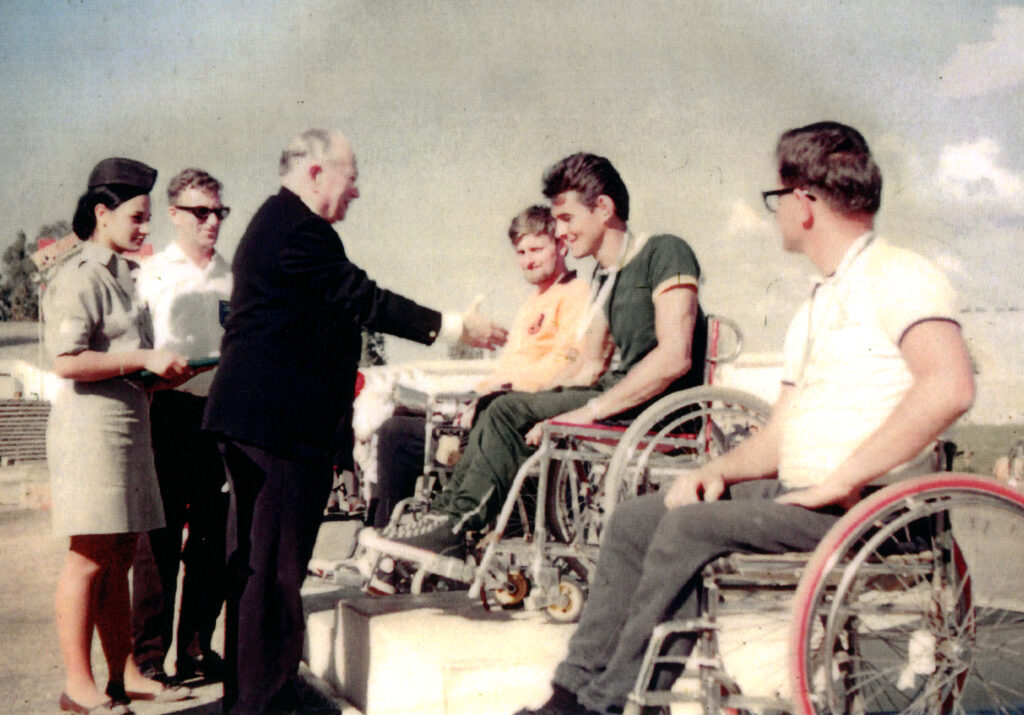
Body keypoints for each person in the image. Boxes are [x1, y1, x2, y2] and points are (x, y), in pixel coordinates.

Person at [517, 122, 976, 715]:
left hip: (873, 510)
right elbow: (779, 433)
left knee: (688, 529)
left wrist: (843, 478)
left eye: (778, 197)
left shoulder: (899, 275)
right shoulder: (819, 301)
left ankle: (611, 703)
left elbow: (950, 385)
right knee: (640, 518)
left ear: (805, 202)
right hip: (808, 496)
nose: (776, 210)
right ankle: (570, 693)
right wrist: (721, 472)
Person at [201, 128, 507, 714]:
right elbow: (361, 297)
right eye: (352, 176)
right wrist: (453, 327)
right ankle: (261, 706)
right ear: (316, 171)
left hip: (270, 426)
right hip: (278, 430)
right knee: (270, 575)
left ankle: (262, 694)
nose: (358, 192)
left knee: (263, 570)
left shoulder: (282, 224)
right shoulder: (299, 230)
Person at [379, 152, 708, 557]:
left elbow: (675, 356)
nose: (561, 231)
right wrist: (533, 402)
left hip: (657, 410)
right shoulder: (606, 278)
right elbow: (586, 365)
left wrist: (587, 412)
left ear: (603, 208)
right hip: (617, 399)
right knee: (501, 405)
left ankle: (458, 527)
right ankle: (444, 517)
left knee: (505, 413)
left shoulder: (664, 252)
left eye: (568, 219)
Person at [45, 158, 194, 715]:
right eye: (136, 216)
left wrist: (161, 374)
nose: (144, 228)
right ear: (102, 213)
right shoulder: (81, 273)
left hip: (130, 424)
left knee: (123, 552)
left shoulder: (124, 275)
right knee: (89, 556)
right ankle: (77, 685)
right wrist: (143, 357)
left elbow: (124, 361)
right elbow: (67, 361)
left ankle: (123, 671)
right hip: (91, 431)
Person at [371, 204, 610, 529]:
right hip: (495, 403)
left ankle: (414, 532)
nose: (528, 259)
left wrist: (491, 395)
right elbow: (505, 369)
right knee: (399, 423)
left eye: (537, 248)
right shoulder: (531, 304)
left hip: (520, 413)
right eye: (521, 251)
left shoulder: (575, 295)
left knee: (400, 437)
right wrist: (476, 397)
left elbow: (563, 367)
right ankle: (392, 531)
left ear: (561, 245)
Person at [130, 169, 233, 684]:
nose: (212, 222)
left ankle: (196, 648)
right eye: (201, 212)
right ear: (174, 215)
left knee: (211, 540)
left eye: (219, 212)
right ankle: (147, 657)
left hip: (216, 417)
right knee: (160, 539)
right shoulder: (149, 276)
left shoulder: (233, 277)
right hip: (166, 412)